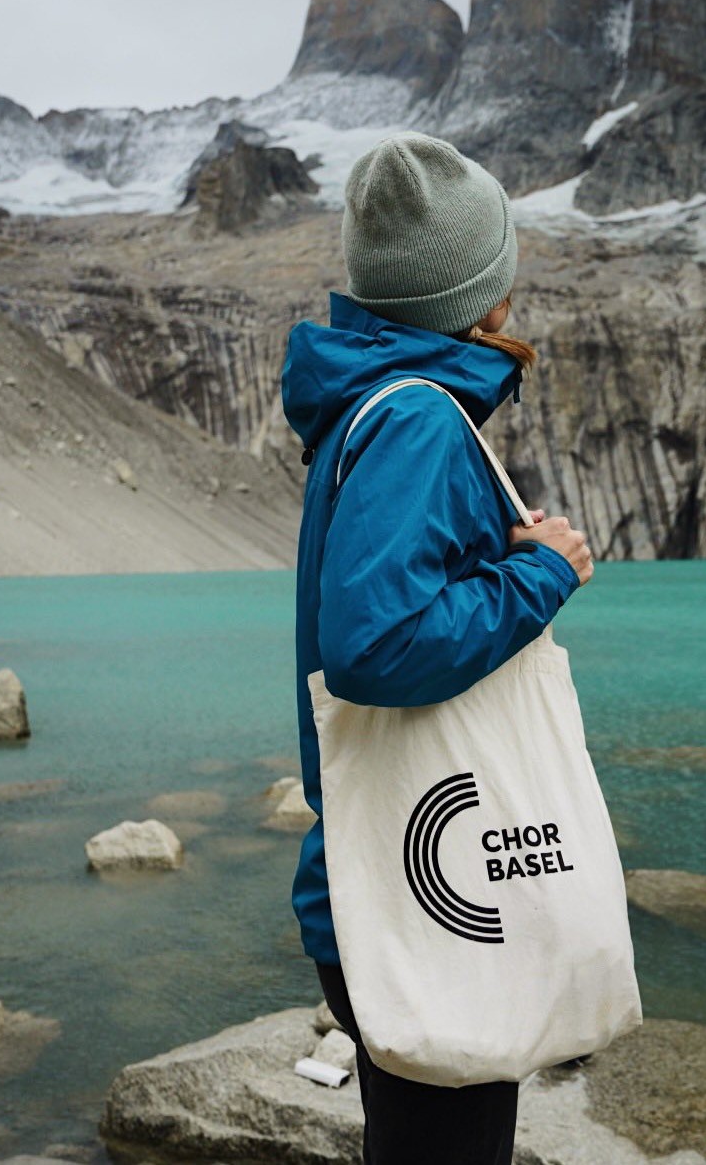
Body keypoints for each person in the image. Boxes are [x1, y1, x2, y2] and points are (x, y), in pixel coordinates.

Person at [280, 132, 593, 1164]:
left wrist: (493, 559)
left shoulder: (373, 407)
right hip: (417, 894)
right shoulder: (420, 419)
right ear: (481, 295)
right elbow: (373, 643)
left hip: (388, 878)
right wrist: (542, 572)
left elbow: (388, 597)